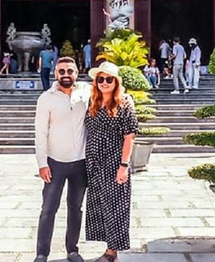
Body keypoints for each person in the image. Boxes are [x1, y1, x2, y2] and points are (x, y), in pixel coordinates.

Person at [34, 57, 90, 262]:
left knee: (75, 208)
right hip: (55, 162)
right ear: (55, 73)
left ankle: (72, 250)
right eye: (62, 71)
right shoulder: (46, 98)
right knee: (48, 209)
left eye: (70, 71)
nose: (66, 75)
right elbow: (40, 132)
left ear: (77, 72)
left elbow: (111, 96)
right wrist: (42, 163)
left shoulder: (87, 92)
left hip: (80, 162)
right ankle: (42, 253)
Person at [86, 62, 138, 262]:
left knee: (116, 206)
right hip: (94, 163)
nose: (104, 82)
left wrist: (124, 166)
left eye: (109, 79)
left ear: (116, 82)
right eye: (100, 79)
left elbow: (129, 136)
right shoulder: (93, 102)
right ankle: (108, 248)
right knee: (101, 206)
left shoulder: (124, 103)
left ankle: (112, 253)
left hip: (114, 163)